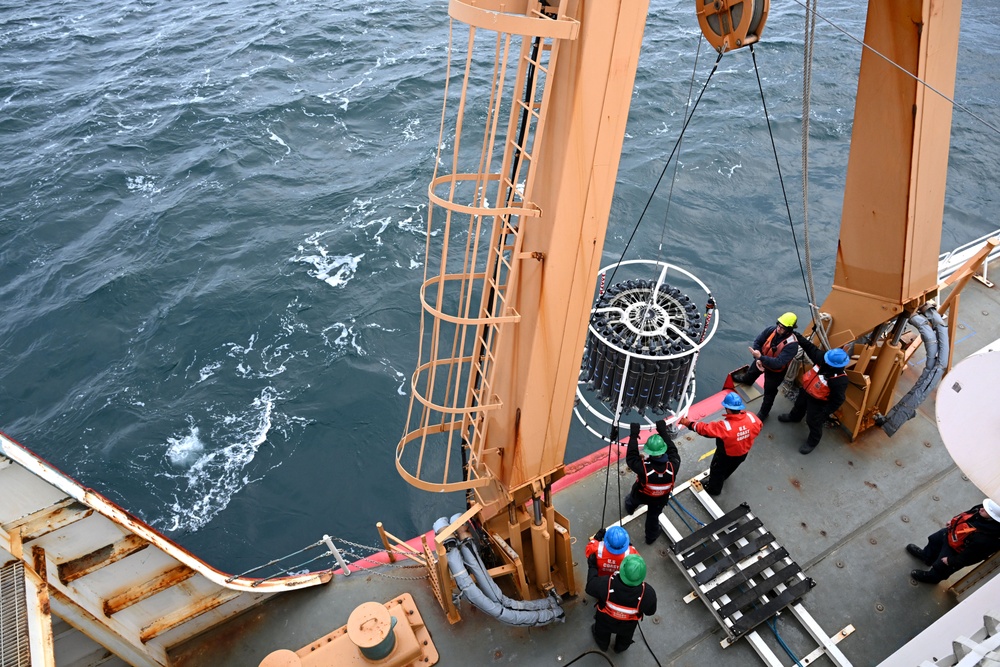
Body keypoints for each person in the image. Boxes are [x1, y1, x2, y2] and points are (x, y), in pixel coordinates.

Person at [777, 333, 851, 454]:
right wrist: (795, 335)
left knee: (813, 421)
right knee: (799, 405)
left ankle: (813, 441)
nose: (825, 363)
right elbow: (809, 347)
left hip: (819, 401)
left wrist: (825, 412)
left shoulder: (840, 380)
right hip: (806, 390)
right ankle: (794, 417)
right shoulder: (823, 359)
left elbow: (838, 399)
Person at [679, 392, 762, 496]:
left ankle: (713, 489)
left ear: (727, 408)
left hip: (725, 455)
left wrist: (688, 423)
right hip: (743, 453)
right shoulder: (752, 417)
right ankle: (724, 478)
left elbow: (705, 430)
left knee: (717, 470)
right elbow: (759, 427)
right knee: (731, 468)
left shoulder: (725, 426)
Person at [907, 499, 1000, 584]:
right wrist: (953, 522)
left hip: (957, 551)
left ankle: (932, 578)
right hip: (951, 533)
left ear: (993, 517)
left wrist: (952, 561)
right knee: (934, 541)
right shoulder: (982, 509)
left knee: (942, 567)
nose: (982, 509)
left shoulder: (988, 539)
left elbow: (971, 557)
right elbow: (966, 514)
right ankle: (926, 557)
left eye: (986, 510)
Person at [731, 312, 800, 421]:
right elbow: (758, 342)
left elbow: (779, 362)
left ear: (790, 329)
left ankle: (764, 412)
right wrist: (758, 358)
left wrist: (761, 358)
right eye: (779, 325)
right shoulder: (771, 330)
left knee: (769, 392)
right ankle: (746, 380)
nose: (779, 328)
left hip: (775, 371)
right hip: (761, 360)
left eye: (783, 327)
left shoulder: (792, 345)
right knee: (751, 373)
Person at [622, 420, 680, 544]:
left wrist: (633, 436)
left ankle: (630, 509)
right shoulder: (674, 465)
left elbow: (631, 457)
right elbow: (673, 450)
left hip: (641, 494)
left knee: (632, 500)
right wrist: (663, 432)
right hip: (660, 499)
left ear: (649, 452)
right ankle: (651, 538)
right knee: (653, 518)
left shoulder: (643, 468)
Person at [586, 553, 657, 653]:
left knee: (601, 634)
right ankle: (620, 648)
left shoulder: (605, 584)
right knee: (625, 639)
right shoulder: (647, 593)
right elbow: (650, 612)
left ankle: (603, 645)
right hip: (628, 626)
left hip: (605, 621)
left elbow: (589, 588)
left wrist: (592, 567)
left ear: (622, 569)